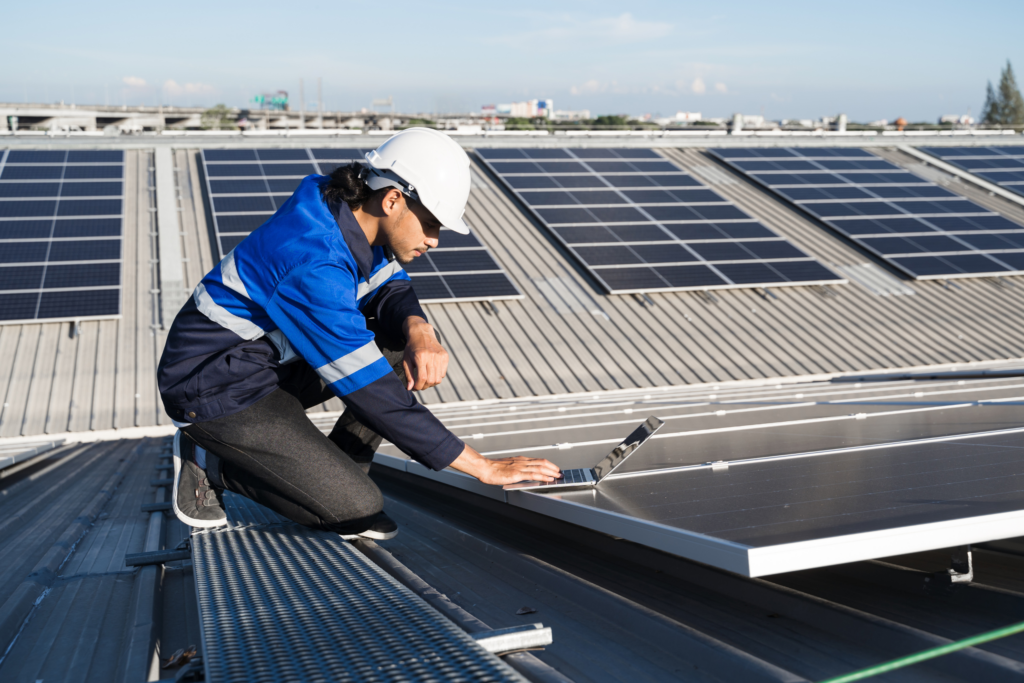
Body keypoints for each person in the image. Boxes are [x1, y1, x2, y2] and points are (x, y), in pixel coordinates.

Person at [157, 128, 560, 538]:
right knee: (356, 508)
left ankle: (335, 472)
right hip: (216, 389)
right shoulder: (312, 263)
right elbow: (373, 391)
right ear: (392, 200)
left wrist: (419, 329)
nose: (434, 241)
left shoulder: (346, 209)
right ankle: (212, 460)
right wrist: (483, 467)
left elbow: (389, 286)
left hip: (265, 363)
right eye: (430, 224)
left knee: (401, 344)